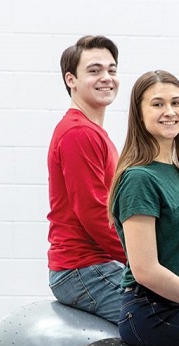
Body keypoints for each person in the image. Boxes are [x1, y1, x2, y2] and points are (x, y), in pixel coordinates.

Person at [108, 70, 179, 346]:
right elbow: (147, 271)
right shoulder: (138, 178)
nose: (170, 111)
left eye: (176, 103)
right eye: (158, 104)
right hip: (152, 313)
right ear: (139, 114)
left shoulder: (178, 173)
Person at [47, 35, 126, 323]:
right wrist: (140, 261)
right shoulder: (78, 134)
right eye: (94, 71)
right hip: (83, 271)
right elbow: (93, 212)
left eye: (112, 70)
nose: (106, 78)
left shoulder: (92, 132)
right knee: (162, 323)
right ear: (71, 79)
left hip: (97, 265)